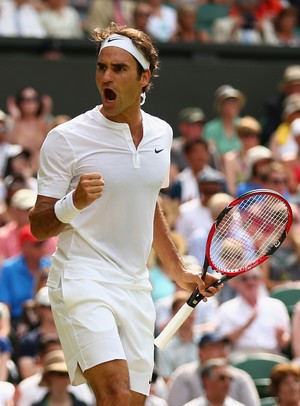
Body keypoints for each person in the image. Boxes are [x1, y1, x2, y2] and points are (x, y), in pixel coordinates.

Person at [28, 23, 222, 406]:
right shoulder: (66, 138)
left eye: (119, 69)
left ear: (144, 78)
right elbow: (38, 224)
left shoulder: (161, 135)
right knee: (116, 396)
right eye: (102, 67)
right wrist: (73, 203)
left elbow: (147, 204)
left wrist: (178, 270)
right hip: (82, 277)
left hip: (135, 286)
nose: (106, 77)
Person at [167, 332, 260, 406]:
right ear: (201, 352)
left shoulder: (241, 377)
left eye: (223, 346)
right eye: (216, 347)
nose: (221, 351)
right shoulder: (185, 375)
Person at [217, 269, 291, 358]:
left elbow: (284, 344)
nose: (250, 282)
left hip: (272, 355)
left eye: (255, 278)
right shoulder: (226, 308)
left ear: (260, 280)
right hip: (240, 357)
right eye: (244, 279)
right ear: (236, 284)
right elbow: (225, 342)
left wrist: (280, 337)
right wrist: (246, 324)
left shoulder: (277, 305)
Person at [223, 115, 262, 197]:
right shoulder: (230, 158)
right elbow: (232, 189)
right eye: (247, 135)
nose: (251, 139)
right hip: (240, 202)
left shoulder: (264, 156)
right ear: (239, 137)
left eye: (255, 135)